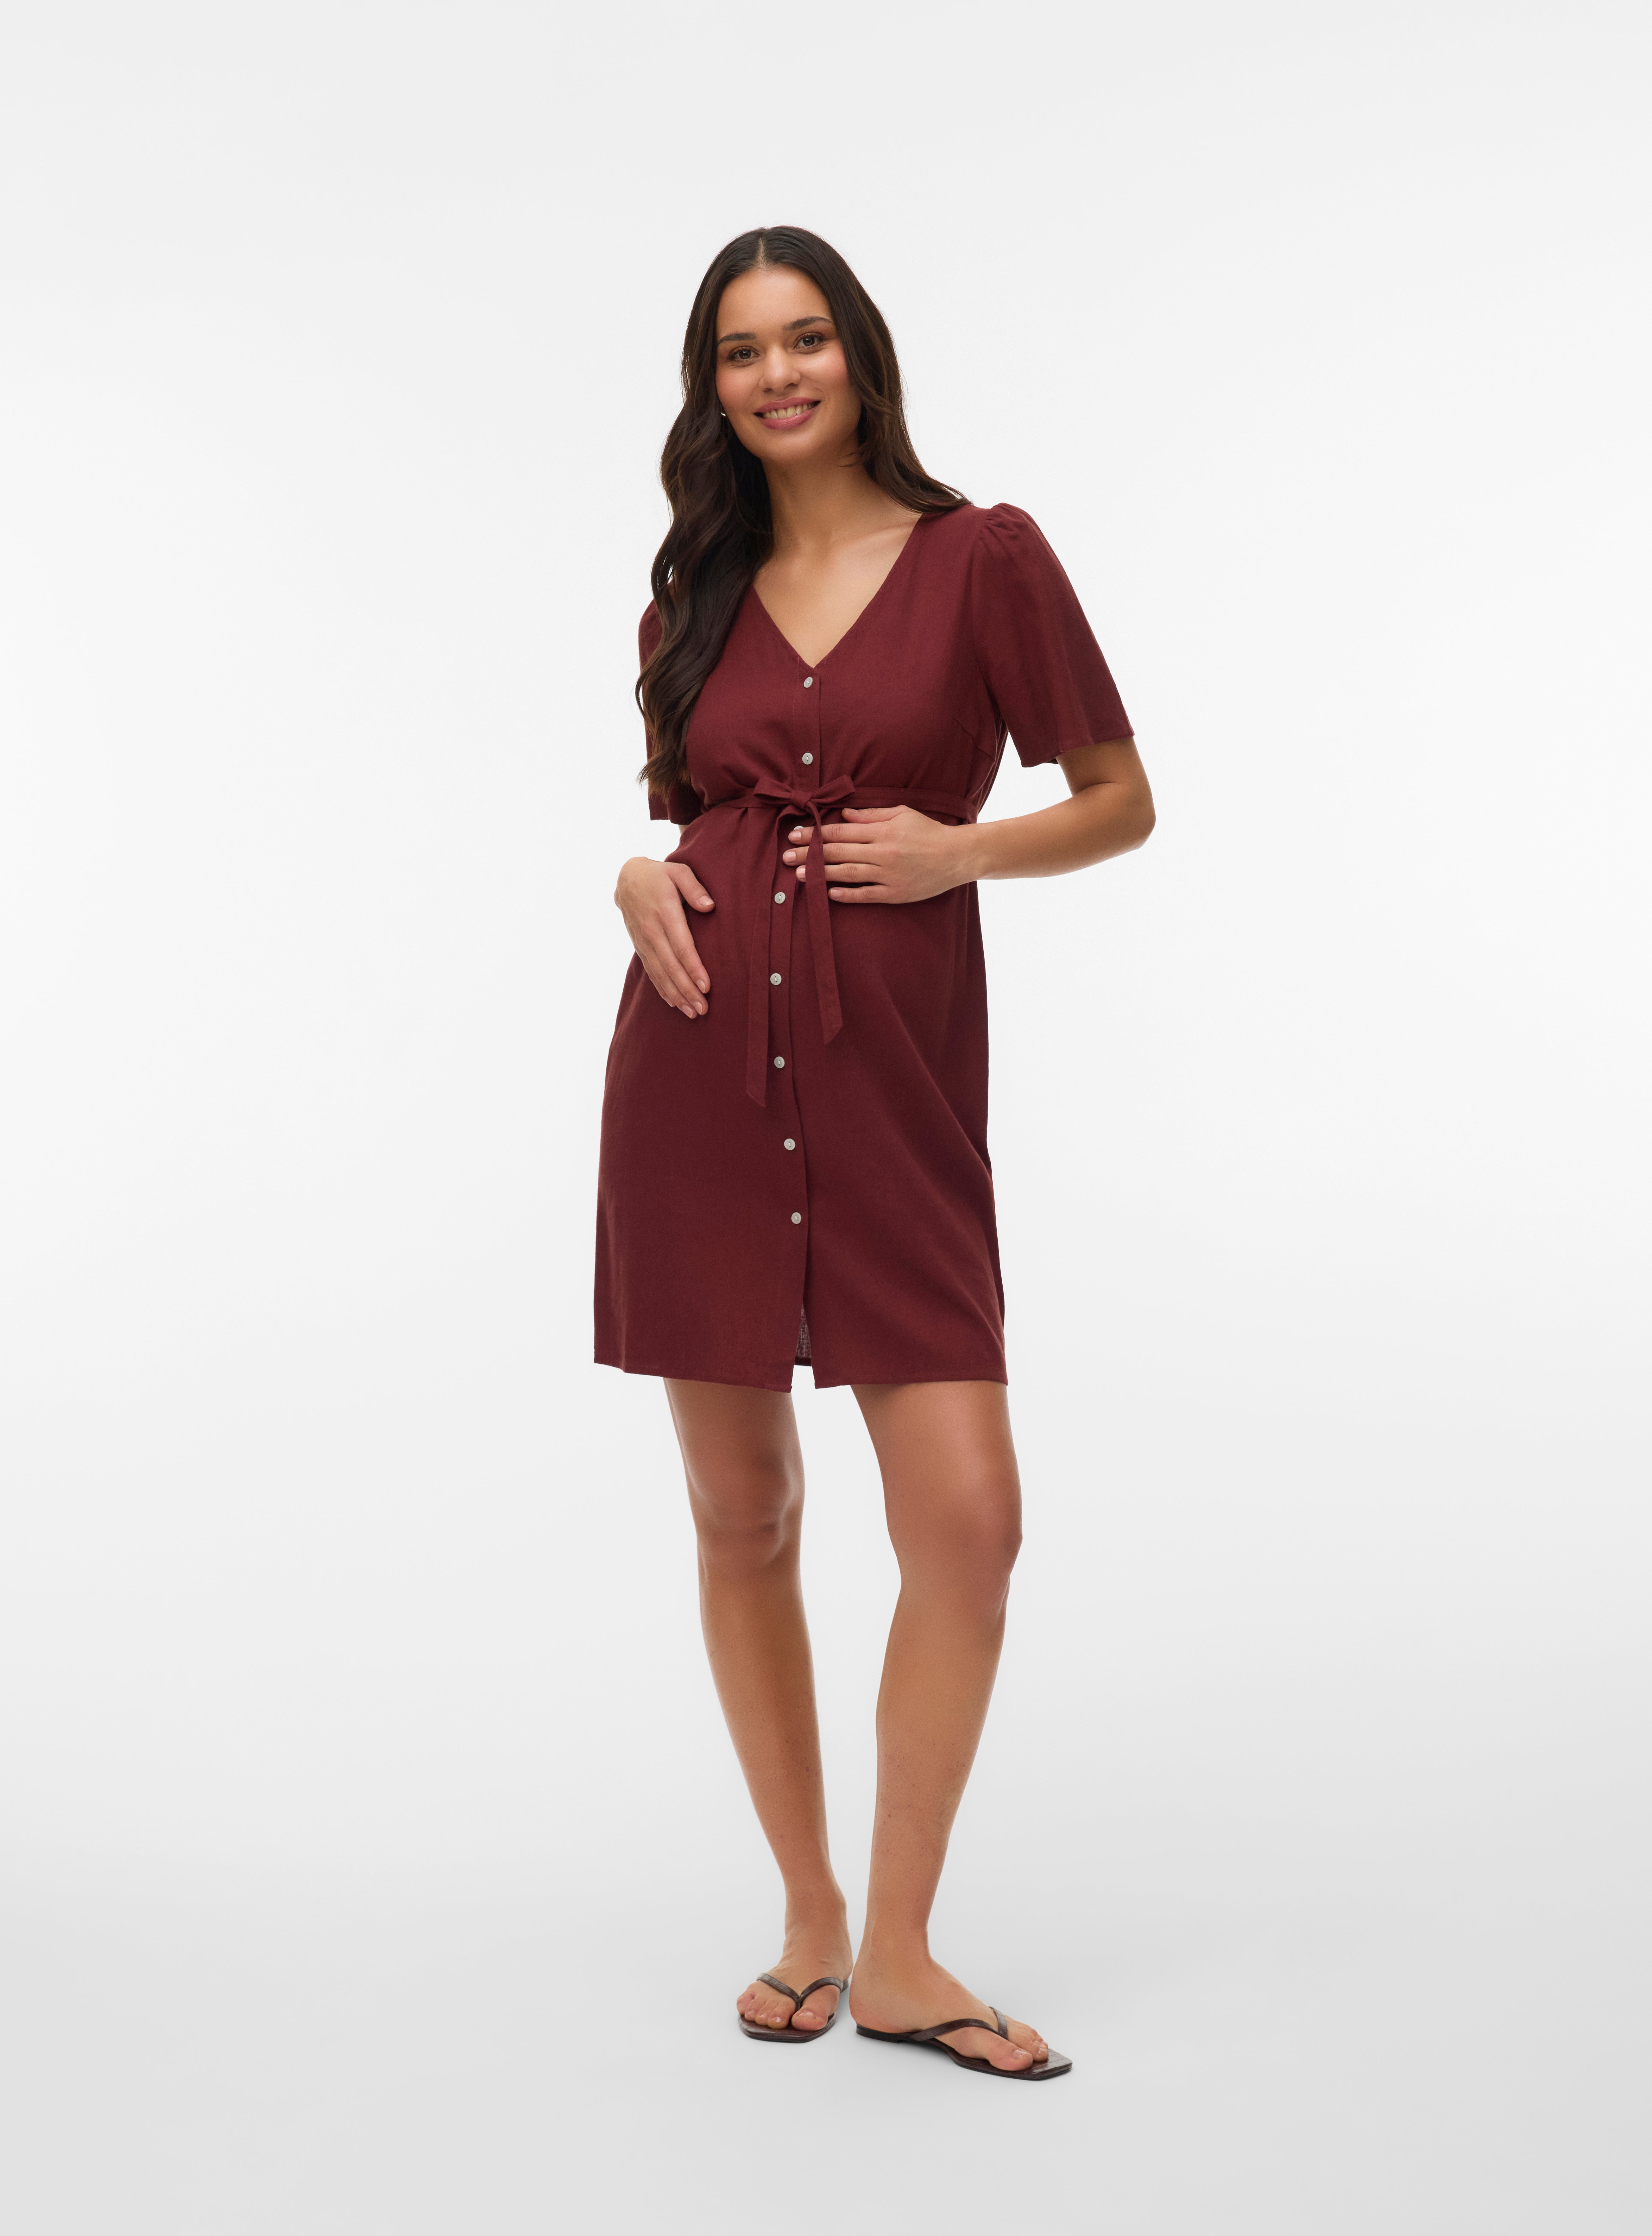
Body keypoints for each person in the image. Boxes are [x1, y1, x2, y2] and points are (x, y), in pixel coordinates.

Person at [595, 226, 1154, 2080]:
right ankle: (812, 1916)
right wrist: (631, 875)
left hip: (895, 1090)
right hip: (692, 1084)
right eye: (740, 349)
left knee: (969, 1522)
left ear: (861, 354)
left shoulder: (985, 557)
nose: (777, 374)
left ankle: (905, 1953)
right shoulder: (694, 594)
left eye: (806, 336)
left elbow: (1122, 800)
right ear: (713, 386)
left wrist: (957, 850)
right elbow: (685, 820)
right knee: (742, 1512)